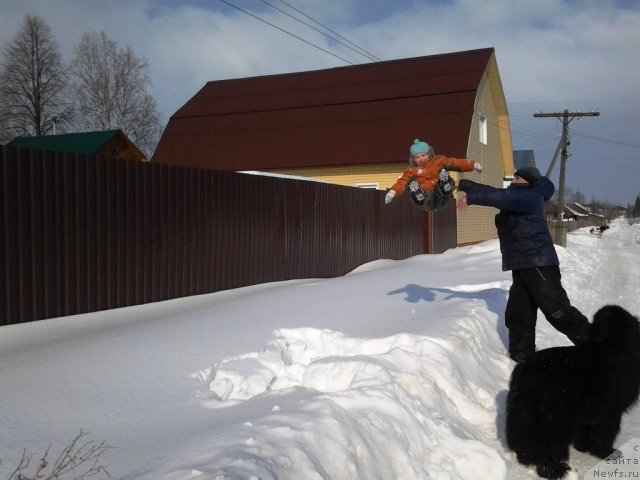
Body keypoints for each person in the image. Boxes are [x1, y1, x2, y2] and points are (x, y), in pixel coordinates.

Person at [456, 166, 590, 362]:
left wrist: (471, 198)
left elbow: (497, 196)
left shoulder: (528, 197)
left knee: (557, 310)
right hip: (522, 265)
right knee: (520, 312)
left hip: (539, 264)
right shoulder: (520, 194)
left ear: (526, 181)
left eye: (517, 177)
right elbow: (494, 191)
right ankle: (522, 355)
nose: (513, 180)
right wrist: (462, 184)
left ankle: (595, 344)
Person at [385, 139, 483, 211]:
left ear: (429, 153)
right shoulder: (412, 170)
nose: (421, 159)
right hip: (427, 198)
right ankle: (418, 194)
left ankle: (445, 184)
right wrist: (393, 192)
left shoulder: (439, 161)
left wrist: (472, 165)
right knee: (411, 183)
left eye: (423, 155)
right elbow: (402, 182)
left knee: (442, 176)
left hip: (442, 195)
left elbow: (455, 163)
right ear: (413, 159)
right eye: (417, 157)